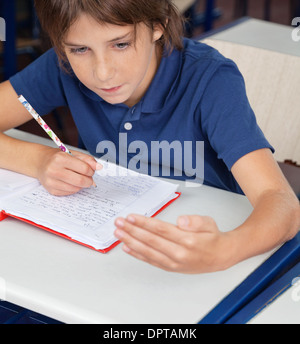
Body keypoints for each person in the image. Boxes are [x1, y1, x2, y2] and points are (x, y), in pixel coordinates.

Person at [0, 0, 299, 274]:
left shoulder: (210, 80)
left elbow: (282, 203)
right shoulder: (61, 66)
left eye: (120, 44)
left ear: (159, 25)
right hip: (107, 258)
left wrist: (225, 249)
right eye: (79, 49)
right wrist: (38, 160)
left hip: (205, 254)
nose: (103, 73)